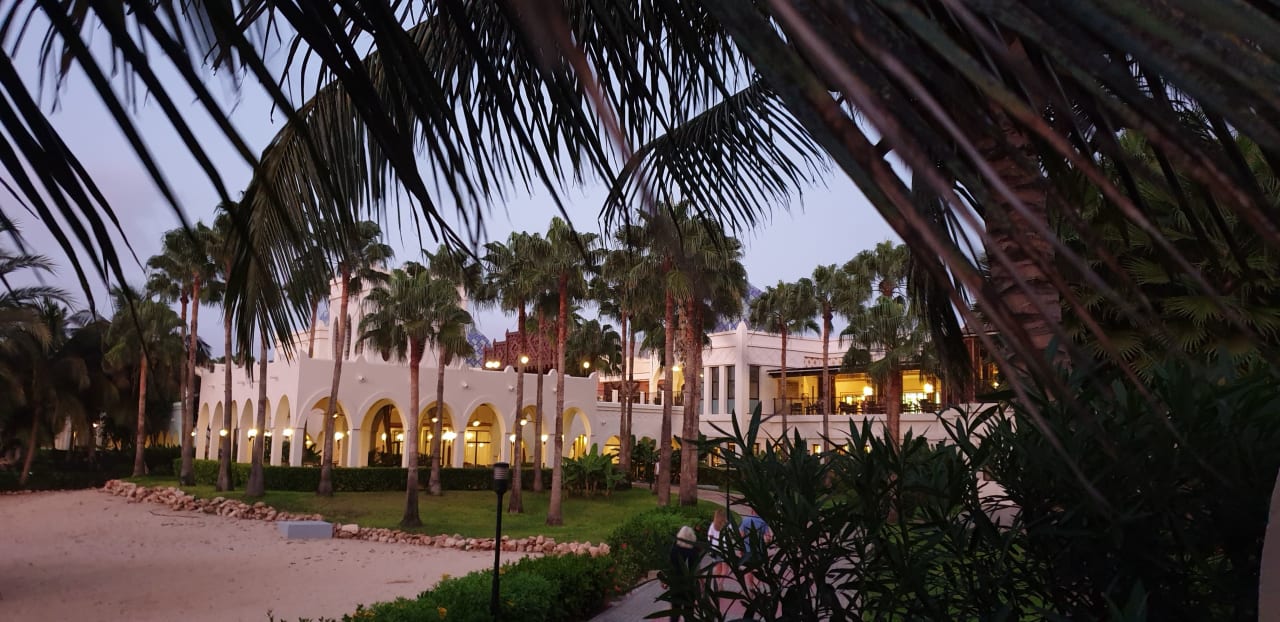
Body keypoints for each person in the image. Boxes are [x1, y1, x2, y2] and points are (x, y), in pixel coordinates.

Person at [663, 525, 701, 621]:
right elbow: (697, 570)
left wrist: (665, 581)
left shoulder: (674, 550)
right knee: (689, 613)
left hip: (676, 585)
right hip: (690, 586)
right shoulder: (694, 551)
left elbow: (669, 567)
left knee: (675, 612)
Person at [738, 513, 773, 594]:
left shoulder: (745, 520)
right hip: (759, 550)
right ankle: (757, 588)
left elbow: (741, 535)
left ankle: (751, 588)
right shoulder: (762, 521)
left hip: (747, 551)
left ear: (751, 511)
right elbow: (768, 538)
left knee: (749, 569)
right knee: (758, 569)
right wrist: (765, 543)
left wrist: (741, 549)